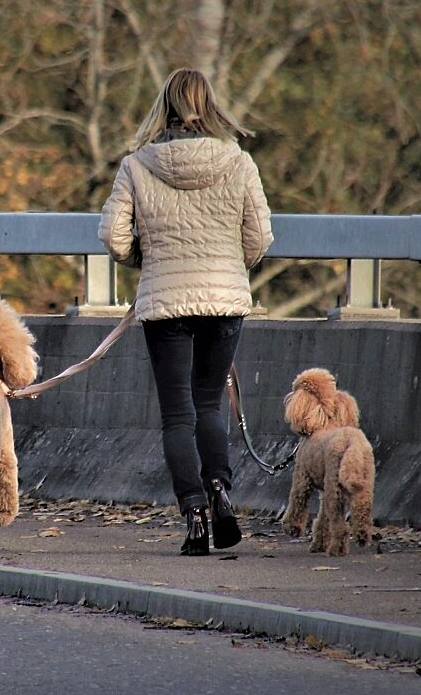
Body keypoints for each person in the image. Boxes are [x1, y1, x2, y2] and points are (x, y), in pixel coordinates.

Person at [98, 68, 273, 556]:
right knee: (209, 404)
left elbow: (112, 238)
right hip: (223, 301)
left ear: (164, 106)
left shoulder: (137, 165)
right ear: (210, 105)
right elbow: (259, 239)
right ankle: (220, 490)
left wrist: (147, 259)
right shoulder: (238, 162)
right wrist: (229, 266)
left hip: (166, 302)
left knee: (177, 415)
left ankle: (194, 513)